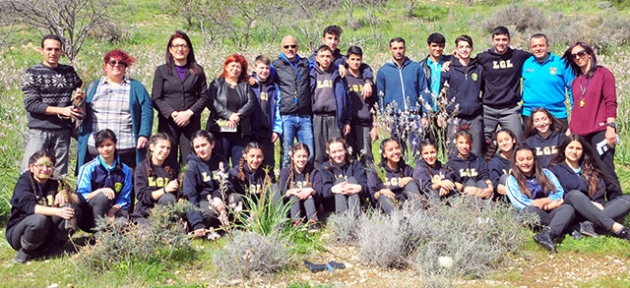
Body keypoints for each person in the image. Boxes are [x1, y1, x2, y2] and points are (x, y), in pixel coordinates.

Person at [561, 41, 622, 200]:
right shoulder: (576, 82)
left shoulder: (603, 74)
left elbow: (610, 101)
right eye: (574, 56)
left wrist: (611, 126)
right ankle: (599, 208)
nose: (578, 58)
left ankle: (619, 206)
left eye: (581, 53)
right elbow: (577, 109)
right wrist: (570, 130)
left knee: (606, 171)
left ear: (589, 54)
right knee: (589, 173)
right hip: (580, 135)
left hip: (600, 132)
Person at [77, 49, 153, 170]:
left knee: (127, 185)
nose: (116, 65)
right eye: (112, 62)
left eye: (121, 63)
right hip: (97, 147)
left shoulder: (136, 87)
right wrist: (78, 102)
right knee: (97, 185)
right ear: (105, 66)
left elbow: (147, 111)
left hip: (126, 147)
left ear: (125, 67)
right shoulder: (92, 86)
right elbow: (79, 112)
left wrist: (143, 135)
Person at [21, 35, 84, 176]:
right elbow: (32, 104)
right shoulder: (33, 72)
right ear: (41, 50)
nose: (53, 53)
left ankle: (56, 198)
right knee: (31, 171)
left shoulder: (68, 71)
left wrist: (79, 95)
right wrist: (61, 111)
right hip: (39, 130)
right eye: (49, 49)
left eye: (57, 49)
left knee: (58, 174)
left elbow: (79, 85)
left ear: (61, 51)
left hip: (62, 131)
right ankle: (29, 198)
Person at [549, 134, 630, 241]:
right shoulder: (554, 169)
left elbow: (598, 193)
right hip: (571, 210)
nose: (574, 151)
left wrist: (596, 203)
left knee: (627, 199)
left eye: (578, 148)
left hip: (592, 211)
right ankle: (619, 229)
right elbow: (558, 195)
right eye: (571, 147)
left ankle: (587, 225)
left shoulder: (589, 168)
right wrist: (589, 203)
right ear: (564, 149)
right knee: (574, 195)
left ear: (583, 151)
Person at [7, 150, 82, 263]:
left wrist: (67, 193)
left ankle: (53, 247)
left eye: (48, 166)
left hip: (46, 229)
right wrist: (57, 212)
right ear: (31, 167)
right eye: (40, 166)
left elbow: (80, 199)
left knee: (73, 210)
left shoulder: (55, 181)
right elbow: (30, 207)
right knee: (39, 219)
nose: (45, 169)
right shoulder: (24, 182)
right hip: (20, 232)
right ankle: (26, 251)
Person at [152, 31, 208, 166]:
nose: (180, 49)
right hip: (168, 123)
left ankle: (186, 186)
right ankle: (170, 186)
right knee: (167, 157)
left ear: (189, 49)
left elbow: (204, 96)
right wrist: (173, 114)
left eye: (183, 46)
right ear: (170, 49)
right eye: (176, 46)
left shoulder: (198, 71)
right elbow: (156, 98)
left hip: (191, 123)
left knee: (189, 159)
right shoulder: (161, 71)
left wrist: (189, 113)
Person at [506, 145, 575, 252]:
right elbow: (520, 203)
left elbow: (559, 193)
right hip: (532, 215)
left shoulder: (546, 173)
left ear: (534, 159)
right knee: (529, 210)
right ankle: (562, 226)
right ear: (515, 162)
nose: (525, 162)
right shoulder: (512, 179)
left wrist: (545, 202)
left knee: (567, 208)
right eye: (521, 159)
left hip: (550, 211)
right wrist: (547, 206)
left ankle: (547, 234)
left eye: (529, 159)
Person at [477, 26, 531, 149]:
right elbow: (466, 63)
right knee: (482, 143)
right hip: (488, 109)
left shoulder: (518, 56)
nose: (501, 43)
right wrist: (450, 60)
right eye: (498, 39)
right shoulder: (483, 58)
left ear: (509, 41)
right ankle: (487, 167)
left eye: (504, 39)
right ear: (492, 41)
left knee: (517, 142)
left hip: (510, 109)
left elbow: (538, 55)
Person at [376, 37, 430, 153]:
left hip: (414, 116)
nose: (398, 51)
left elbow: (423, 91)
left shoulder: (416, 68)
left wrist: (425, 115)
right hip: (394, 117)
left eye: (401, 48)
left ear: (405, 48)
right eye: (395, 48)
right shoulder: (383, 71)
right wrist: (384, 118)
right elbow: (380, 96)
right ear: (390, 49)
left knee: (417, 151)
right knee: (398, 152)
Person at [76, 129, 133, 232]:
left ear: (115, 144)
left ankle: (109, 238)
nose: (105, 149)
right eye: (101, 146)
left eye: (109, 145)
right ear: (97, 148)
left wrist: (113, 210)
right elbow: (81, 196)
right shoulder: (88, 168)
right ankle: (99, 234)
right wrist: (100, 192)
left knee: (122, 225)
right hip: (89, 215)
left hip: (113, 212)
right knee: (103, 196)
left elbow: (125, 199)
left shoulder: (126, 170)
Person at [206, 53, 257, 167]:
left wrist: (238, 116)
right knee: (220, 165)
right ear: (226, 66)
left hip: (240, 133)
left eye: (238, 67)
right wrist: (229, 115)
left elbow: (251, 102)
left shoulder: (245, 85)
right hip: (220, 131)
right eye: (232, 65)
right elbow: (211, 102)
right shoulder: (216, 83)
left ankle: (238, 185)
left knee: (239, 165)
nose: (235, 69)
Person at [273, 36, 315, 167]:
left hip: (305, 117)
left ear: (297, 47)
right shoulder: (276, 65)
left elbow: (325, 65)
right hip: (287, 116)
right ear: (282, 48)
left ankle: (308, 183)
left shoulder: (305, 63)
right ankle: (285, 185)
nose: (290, 49)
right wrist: (252, 77)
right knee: (287, 155)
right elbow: (262, 72)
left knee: (309, 154)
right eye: (286, 46)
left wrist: (340, 67)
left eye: (293, 46)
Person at [440, 34, 484, 157]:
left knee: (476, 151)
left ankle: (476, 176)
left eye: (467, 47)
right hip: (454, 117)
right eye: (461, 47)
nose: (464, 50)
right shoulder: (448, 69)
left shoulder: (479, 69)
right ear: (456, 49)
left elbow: (484, 89)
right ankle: (453, 176)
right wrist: (442, 114)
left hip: (474, 117)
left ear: (472, 48)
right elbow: (441, 95)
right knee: (453, 152)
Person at [310, 45, 351, 167]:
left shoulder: (338, 74)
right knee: (319, 152)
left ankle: (338, 177)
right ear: (317, 58)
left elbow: (347, 99)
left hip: (335, 117)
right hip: (317, 117)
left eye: (328, 56)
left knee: (337, 150)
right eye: (322, 56)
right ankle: (320, 180)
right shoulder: (311, 74)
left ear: (332, 58)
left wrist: (347, 121)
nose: (325, 59)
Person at [183, 130, 229, 238]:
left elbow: (228, 183)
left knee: (236, 200)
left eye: (203, 145)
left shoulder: (220, 160)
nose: (201, 149)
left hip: (219, 197)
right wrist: (197, 223)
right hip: (201, 201)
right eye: (197, 147)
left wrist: (218, 196)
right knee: (210, 212)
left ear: (212, 144)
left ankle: (227, 227)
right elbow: (190, 196)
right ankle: (198, 225)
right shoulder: (191, 165)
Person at [521, 33, 574, 129]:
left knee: (560, 144)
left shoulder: (561, 63)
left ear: (548, 46)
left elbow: (572, 88)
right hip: (530, 114)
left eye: (541, 45)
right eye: (534, 46)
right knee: (530, 144)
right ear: (530, 48)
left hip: (556, 113)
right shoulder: (526, 63)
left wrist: (575, 111)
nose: (538, 49)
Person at [307, 24, 375, 93]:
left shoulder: (342, 60)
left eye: (336, 39)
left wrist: (368, 82)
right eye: (330, 38)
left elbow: (364, 67)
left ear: (339, 41)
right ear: (323, 39)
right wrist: (338, 66)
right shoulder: (313, 59)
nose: (333, 42)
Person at [132, 133, 180, 224]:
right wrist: (165, 190)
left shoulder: (174, 168)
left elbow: (178, 196)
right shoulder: (141, 167)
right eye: (162, 147)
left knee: (168, 198)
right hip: (145, 213)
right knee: (149, 235)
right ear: (152, 147)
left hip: (166, 213)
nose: (165, 151)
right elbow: (142, 195)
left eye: (168, 148)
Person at [367, 138, 422, 215]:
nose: (395, 152)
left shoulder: (406, 169)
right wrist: (381, 192)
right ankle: (398, 221)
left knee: (411, 183)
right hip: (386, 206)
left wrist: (410, 179)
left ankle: (419, 216)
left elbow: (420, 186)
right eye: (390, 150)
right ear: (384, 154)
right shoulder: (377, 171)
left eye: (397, 148)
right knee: (383, 196)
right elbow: (372, 196)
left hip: (404, 204)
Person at [344, 46, 378, 165]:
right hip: (348, 123)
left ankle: (370, 181)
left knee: (366, 156)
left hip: (364, 123)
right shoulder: (343, 77)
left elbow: (374, 105)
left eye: (358, 59)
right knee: (349, 155)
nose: (355, 62)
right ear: (347, 60)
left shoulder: (366, 79)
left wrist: (374, 126)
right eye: (352, 59)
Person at [278, 142, 322, 231]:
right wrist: (291, 191)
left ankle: (313, 222)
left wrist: (311, 190)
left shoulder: (314, 172)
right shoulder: (285, 171)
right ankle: (296, 222)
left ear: (308, 156)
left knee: (308, 194)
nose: (301, 159)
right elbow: (281, 193)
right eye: (298, 156)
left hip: (309, 207)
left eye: (304, 156)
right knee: (294, 195)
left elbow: (320, 194)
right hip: (292, 208)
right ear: (292, 157)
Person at [250, 55, 282, 172]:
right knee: (252, 162)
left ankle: (269, 188)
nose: (264, 71)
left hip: (267, 131)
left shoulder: (274, 87)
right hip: (251, 131)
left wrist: (276, 130)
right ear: (255, 68)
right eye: (261, 68)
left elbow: (278, 109)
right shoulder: (249, 83)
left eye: (267, 68)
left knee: (268, 164)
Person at [320, 137, 368, 215]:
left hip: (355, 200)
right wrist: (334, 189)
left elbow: (366, 186)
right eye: (334, 152)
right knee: (340, 181)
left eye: (340, 151)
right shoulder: (325, 167)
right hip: (334, 205)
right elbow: (324, 191)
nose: (338, 155)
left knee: (352, 180)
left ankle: (355, 217)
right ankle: (343, 219)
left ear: (345, 150)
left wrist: (360, 188)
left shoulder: (355, 164)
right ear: (329, 153)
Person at [447, 131, 493, 200]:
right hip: (462, 195)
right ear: (456, 144)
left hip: (480, 192)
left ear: (471, 143)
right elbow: (452, 183)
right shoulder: (452, 163)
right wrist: (465, 188)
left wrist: (490, 187)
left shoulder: (478, 160)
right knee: (470, 182)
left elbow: (485, 177)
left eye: (467, 143)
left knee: (482, 183)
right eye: (461, 143)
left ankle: (486, 207)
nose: (464, 146)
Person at [227, 142, 274, 210]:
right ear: (245, 156)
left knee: (274, 187)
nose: (255, 160)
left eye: (259, 157)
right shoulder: (236, 172)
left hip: (260, 209)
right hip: (242, 208)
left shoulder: (267, 173)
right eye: (252, 156)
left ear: (263, 157)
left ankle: (279, 219)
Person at [413, 139, 457, 203]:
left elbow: (450, 175)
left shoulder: (443, 167)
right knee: (433, 193)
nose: (430, 156)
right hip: (428, 200)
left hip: (444, 197)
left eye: (432, 152)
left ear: (437, 152)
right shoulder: (419, 170)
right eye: (426, 153)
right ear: (421, 155)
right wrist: (440, 184)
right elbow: (426, 187)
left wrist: (445, 186)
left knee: (453, 191)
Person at [419, 32, 451, 112]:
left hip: (445, 110)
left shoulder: (449, 63)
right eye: (434, 46)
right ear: (428, 46)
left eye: (440, 46)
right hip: (427, 110)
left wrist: (451, 61)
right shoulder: (420, 66)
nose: (437, 49)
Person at [488, 129, 518, 199]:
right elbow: (495, 185)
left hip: (524, 193)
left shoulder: (521, 157)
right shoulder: (494, 162)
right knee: (506, 178)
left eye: (507, 139)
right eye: (500, 141)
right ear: (497, 144)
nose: (504, 143)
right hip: (505, 197)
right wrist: (515, 193)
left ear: (513, 140)